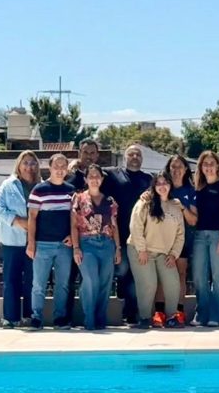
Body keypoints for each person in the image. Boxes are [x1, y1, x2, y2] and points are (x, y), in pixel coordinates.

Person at [101, 144, 153, 325]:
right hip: (119, 234)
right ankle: (124, 301)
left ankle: (131, 313)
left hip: (140, 236)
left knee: (136, 274)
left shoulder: (148, 179)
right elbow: (94, 172)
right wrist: (75, 166)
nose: (135, 157)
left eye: (138, 154)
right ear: (124, 157)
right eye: (131, 154)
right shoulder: (113, 175)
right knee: (123, 271)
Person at [128, 171, 185, 329]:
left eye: (165, 183)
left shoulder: (176, 205)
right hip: (141, 250)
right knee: (149, 284)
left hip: (164, 253)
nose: (162, 186)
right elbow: (135, 226)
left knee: (173, 283)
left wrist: (174, 254)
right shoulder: (145, 203)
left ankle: (172, 317)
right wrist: (141, 249)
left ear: (170, 185)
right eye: (158, 183)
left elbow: (180, 234)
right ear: (154, 186)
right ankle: (145, 318)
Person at [0, 150, 40, 328]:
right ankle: (10, 317)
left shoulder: (41, 186)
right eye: (25, 163)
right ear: (19, 165)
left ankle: (30, 315)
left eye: (32, 163)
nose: (29, 166)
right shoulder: (8, 184)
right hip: (12, 240)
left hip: (35, 240)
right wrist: (16, 220)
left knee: (32, 281)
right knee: (11, 279)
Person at [26, 153, 75, 330]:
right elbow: (32, 218)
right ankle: (36, 317)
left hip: (64, 246)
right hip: (42, 244)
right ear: (50, 168)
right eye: (56, 166)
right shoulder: (39, 190)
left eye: (63, 167)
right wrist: (31, 243)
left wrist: (72, 236)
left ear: (67, 169)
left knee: (63, 284)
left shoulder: (71, 191)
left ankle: (60, 318)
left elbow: (75, 218)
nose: (60, 170)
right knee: (39, 284)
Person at [70, 164, 121, 330]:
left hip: (106, 243)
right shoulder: (79, 199)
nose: (94, 179)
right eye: (90, 176)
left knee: (105, 282)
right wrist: (76, 248)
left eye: (97, 176)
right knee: (91, 280)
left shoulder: (110, 201)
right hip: (87, 244)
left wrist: (118, 248)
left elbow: (114, 226)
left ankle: (100, 319)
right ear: (85, 179)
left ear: (102, 179)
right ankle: (89, 319)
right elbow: (74, 226)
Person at [190, 151, 219, 327]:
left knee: (218, 276)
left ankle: (218, 315)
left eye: (211, 163)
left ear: (217, 166)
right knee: (198, 276)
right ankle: (202, 314)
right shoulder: (197, 190)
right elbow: (194, 215)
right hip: (200, 235)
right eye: (205, 164)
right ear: (200, 167)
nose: (208, 167)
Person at [65, 138, 100, 326]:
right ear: (79, 154)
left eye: (92, 153)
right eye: (85, 152)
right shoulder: (70, 178)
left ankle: (94, 317)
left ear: (98, 155)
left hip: (95, 241)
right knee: (69, 279)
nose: (89, 156)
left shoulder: (103, 178)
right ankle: (66, 318)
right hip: (73, 238)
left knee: (93, 280)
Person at [161, 154, 197, 327]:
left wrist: (181, 207)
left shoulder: (191, 191)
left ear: (185, 169)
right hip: (162, 238)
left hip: (183, 238)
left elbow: (193, 220)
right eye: (173, 167)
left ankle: (179, 312)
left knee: (180, 274)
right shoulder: (162, 187)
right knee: (162, 275)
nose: (176, 170)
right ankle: (160, 313)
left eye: (179, 167)